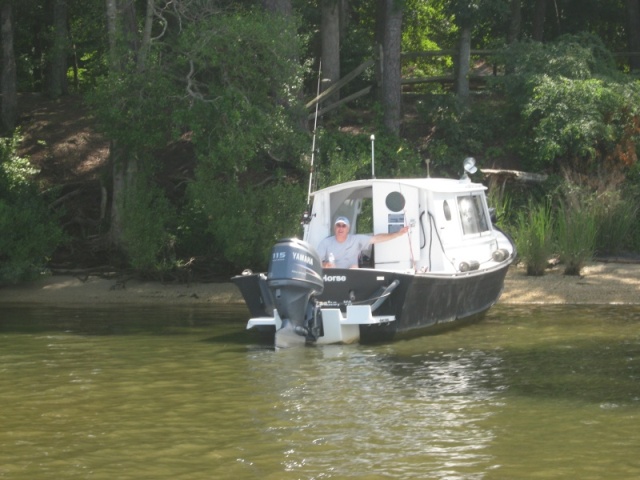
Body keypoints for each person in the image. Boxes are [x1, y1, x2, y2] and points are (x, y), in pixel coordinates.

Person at [317, 216, 410, 269]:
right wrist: (325, 264)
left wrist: (397, 234)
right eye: (338, 225)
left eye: (343, 226)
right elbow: (316, 262)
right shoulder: (326, 242)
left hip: (351, 277)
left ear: (348, 229)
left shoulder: (356, 240)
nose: (341, 228)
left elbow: (376, 239)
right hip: (331, 278)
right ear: (335, 228)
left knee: (354, 267)